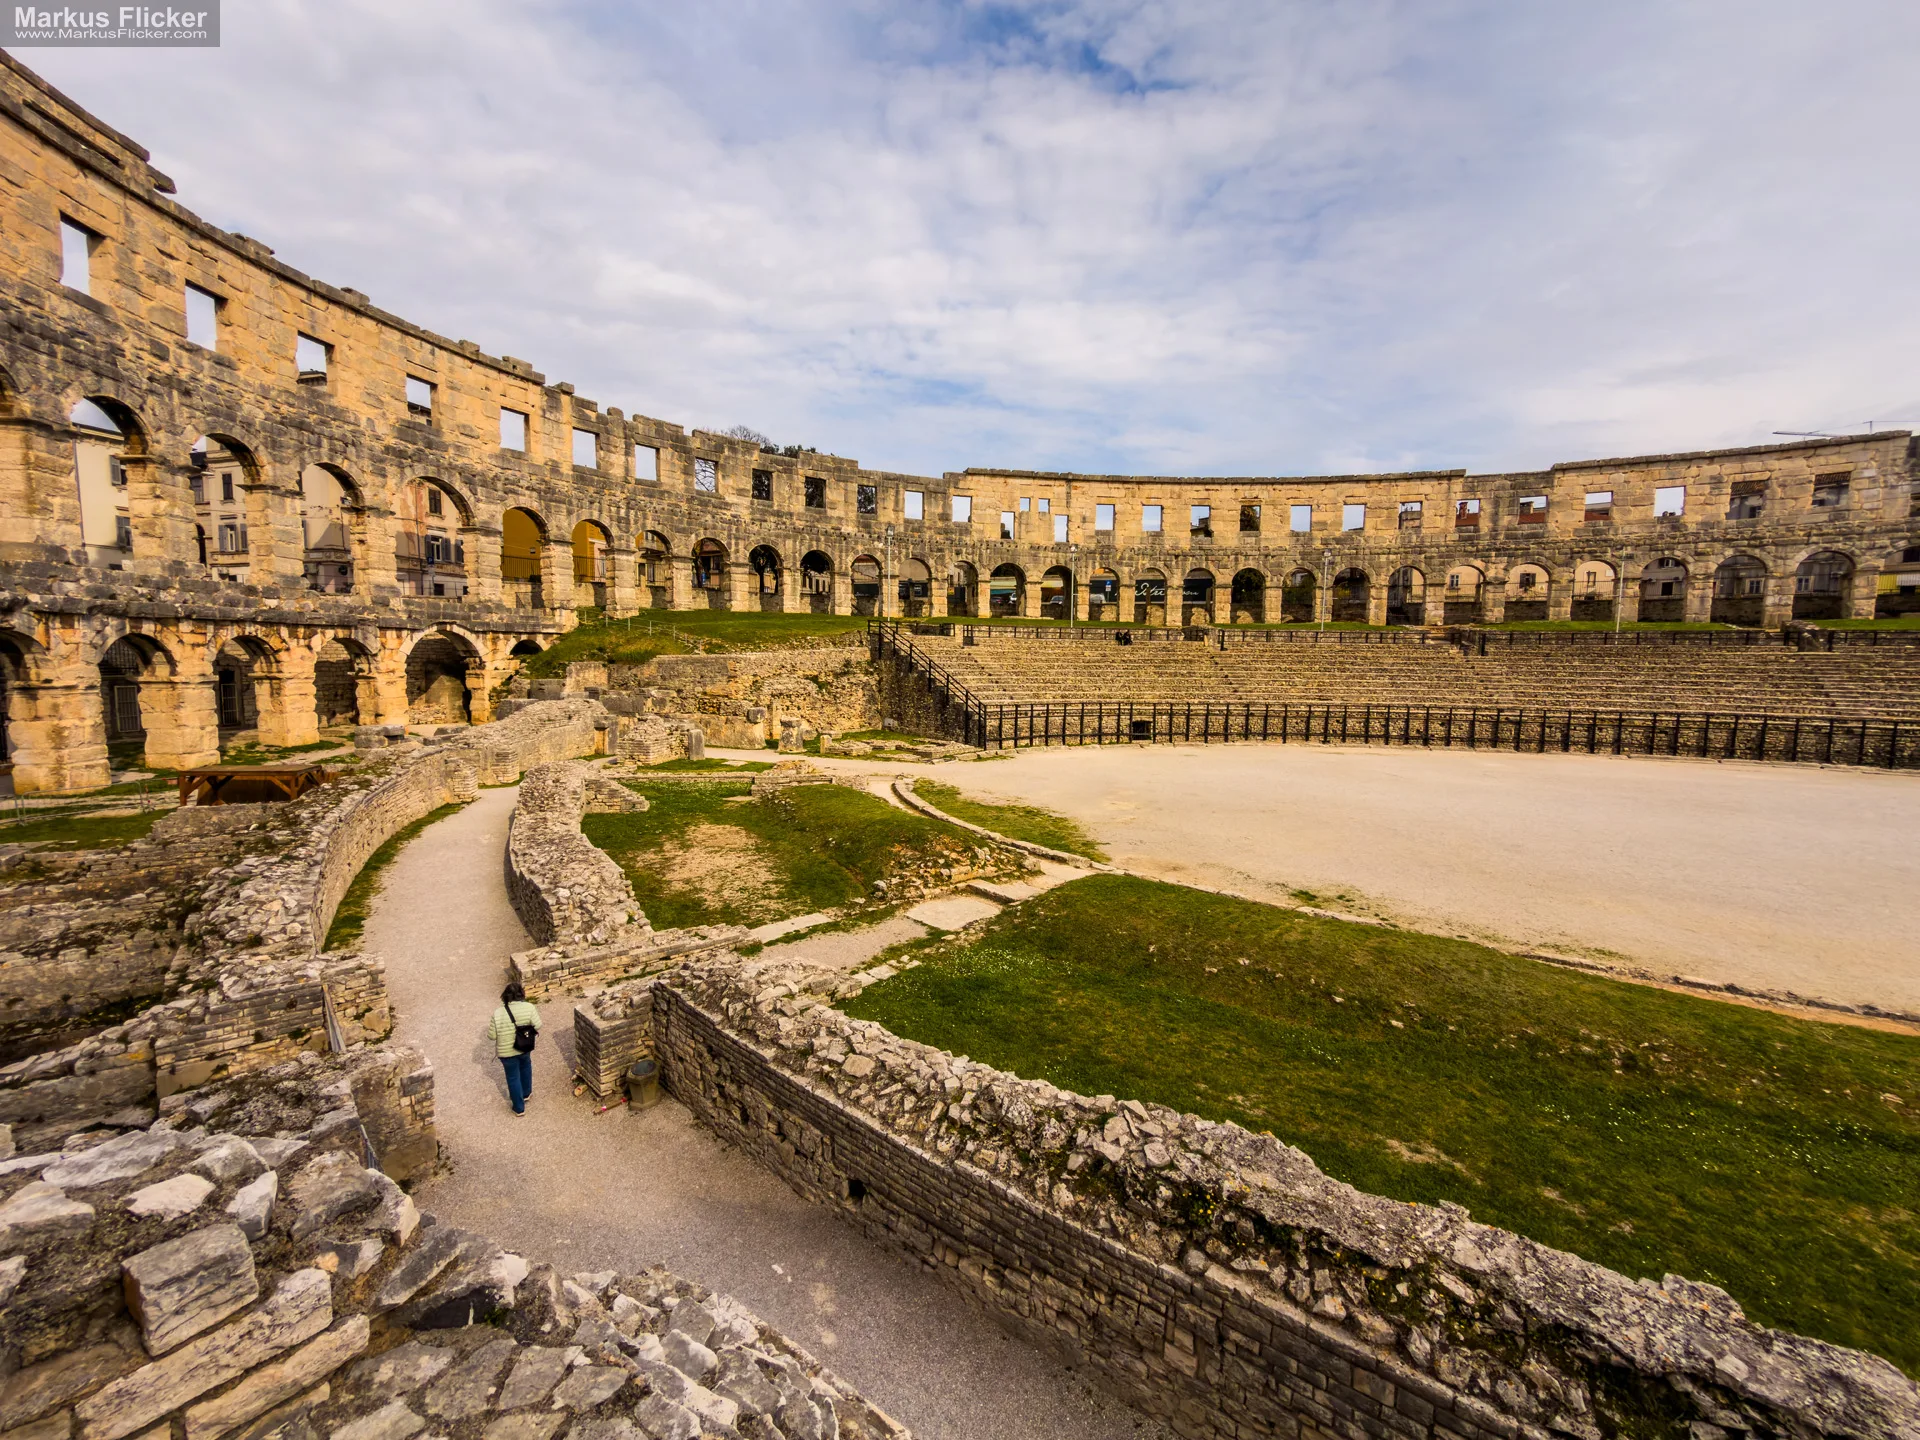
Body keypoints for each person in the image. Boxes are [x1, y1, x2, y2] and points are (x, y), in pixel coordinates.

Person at [489, 981, 540, 1116]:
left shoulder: (498, 1013)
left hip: (506, 1052)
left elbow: (492, 1036)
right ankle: (526, 1093)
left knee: (512, 1077)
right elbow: (538, 1025)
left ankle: (519, 1108)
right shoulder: (529, 1007)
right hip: (524, 1046)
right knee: (525, 1066)